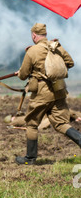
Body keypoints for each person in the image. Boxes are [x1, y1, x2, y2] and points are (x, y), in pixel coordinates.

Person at [15, 23, 81, 165]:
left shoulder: (32, 51)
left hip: (42, 93)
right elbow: (70, 63)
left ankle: (30, 159)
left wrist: (22, 73)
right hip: (59, 90)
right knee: (61, 123)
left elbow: (23, 75)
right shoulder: (56, 46)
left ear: (34, 35)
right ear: (45, 34)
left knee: (32, 124)